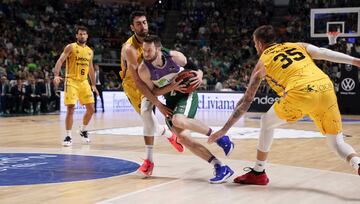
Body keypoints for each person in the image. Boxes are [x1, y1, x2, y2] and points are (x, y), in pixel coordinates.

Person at [208, 25, 360, 185]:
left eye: (254, 43)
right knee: (337, 143)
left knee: (266, 122)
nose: (254, 46)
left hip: (301, 92)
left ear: (259, 44)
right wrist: (356, 61)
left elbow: (247, 101)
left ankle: (259, 172)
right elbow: (323, 53)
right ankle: (357, 163)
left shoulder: (262, 63)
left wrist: (224, 129)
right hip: (326, 87)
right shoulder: (297, 45)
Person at [138, 35, 234, 183]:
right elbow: (153, 92)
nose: (146, 54)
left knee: (178, 120)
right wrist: (163, 99)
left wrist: (200, 75)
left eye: (149, 50)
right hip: (169, 102)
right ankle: (220, 167)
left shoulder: (175, 57)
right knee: (184, 139)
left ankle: (219, 137)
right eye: (144, 50)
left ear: (158, 49)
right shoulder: (144, 69)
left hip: (186, 95)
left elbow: (197, 69)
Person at [120, 11, 185, 176]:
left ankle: (149, 161)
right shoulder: (130, 49)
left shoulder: (153, 42)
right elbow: (138, 81)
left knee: (148, 118)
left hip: (153, 79)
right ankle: (168, 137)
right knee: (147, 116)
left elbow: (168, 57)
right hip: (135, 85)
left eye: (145, 22)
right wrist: (158, 104)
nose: (143, 26)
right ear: (132, 27)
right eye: (138, 23)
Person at [53, 25, 99, 147]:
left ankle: (83, 130)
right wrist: (56, 75)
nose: (82, 35)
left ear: (87, 36)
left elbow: (90, 68)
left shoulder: (90, 51)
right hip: (71, 80)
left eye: (84, 34)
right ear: (76, 35)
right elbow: (60, 60)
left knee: (91, 109)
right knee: (71, 108)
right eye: (80, 34)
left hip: (84, 82)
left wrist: (93, 84)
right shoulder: (71, 47)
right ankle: (68, 135)